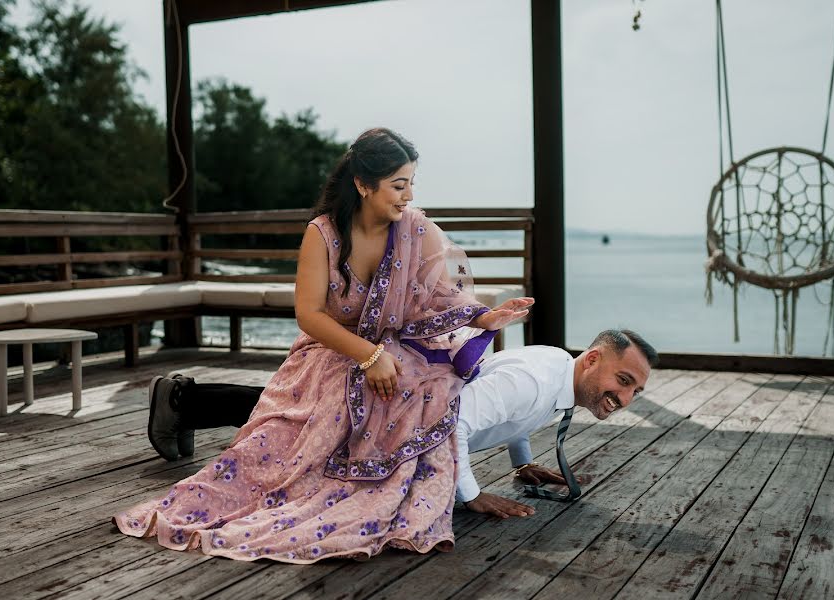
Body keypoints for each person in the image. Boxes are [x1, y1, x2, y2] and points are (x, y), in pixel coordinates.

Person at [114, 128, 531, 563]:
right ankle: (187, 405)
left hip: (393, 347)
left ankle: (188, 402)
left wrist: (485, 317)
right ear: (363, 184)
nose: (408, 196)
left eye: (412, 184)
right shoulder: (324, 234)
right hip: (330, 348)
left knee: (421, 390)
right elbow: (309, 314)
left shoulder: (416, 230)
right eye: (398, 185)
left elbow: (439, 297)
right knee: (319, 413)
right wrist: (368, 356)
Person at [148, 329, 658, 519]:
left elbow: (505, 414)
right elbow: (454, 422)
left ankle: (184, 399)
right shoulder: (534, 381)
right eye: (623, 379)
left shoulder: (559, 373)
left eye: (636, 390)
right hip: (400, 416)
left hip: (407, 413)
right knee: (300, 420)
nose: (626, 397)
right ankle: (181, 398)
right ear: (593, 360)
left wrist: (522, 463)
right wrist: (472, 496)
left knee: (299, 420)